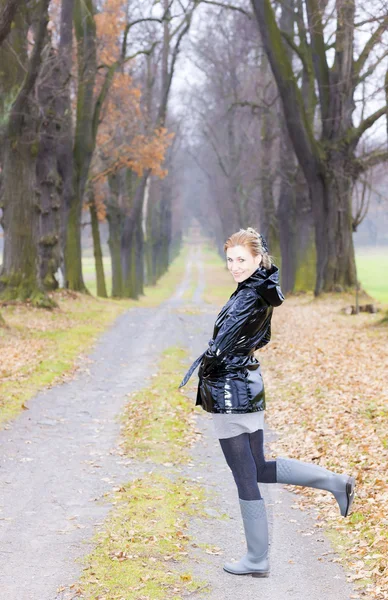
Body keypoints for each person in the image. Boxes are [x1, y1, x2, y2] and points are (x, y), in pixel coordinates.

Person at [179, 227, 355, 578]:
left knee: (246, 476)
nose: (234, 266)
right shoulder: (259, 289)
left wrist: (211, 360)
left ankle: (257, 558)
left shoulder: (249, 296)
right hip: (248, 385)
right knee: (257, 467)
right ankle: (335, 482)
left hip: (231, 392)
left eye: (241, 259)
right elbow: (255, 338)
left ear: (258, 258)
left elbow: (223, 345)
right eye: (230, 259)